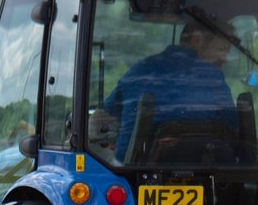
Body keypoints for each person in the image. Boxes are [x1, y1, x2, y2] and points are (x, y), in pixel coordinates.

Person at [95, 18, 238, 161]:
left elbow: (99, 121)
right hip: (207, 174)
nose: (225, 59)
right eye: (222, 49)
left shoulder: (138, 71)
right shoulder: (214, 79)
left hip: (132, 173)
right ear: (197, 39)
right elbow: (233, 131)